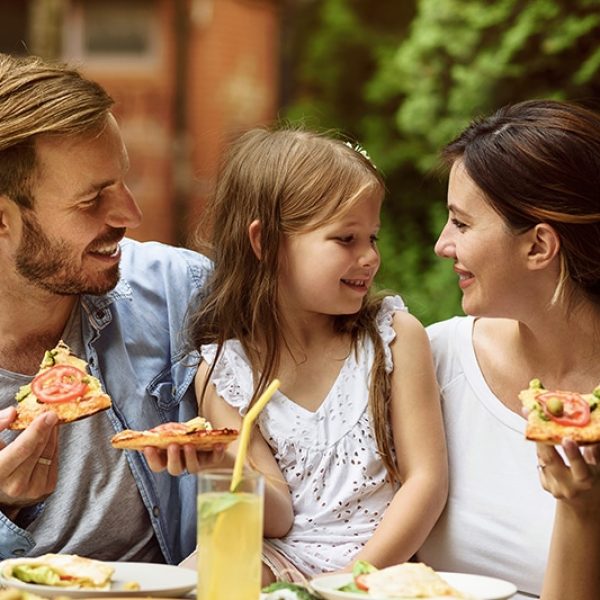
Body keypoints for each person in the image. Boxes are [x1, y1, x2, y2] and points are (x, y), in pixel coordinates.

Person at [177, 126, 448, 582]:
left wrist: (351, 578)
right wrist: (222, 461)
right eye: (347, 239)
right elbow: (278, 517)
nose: (370, 258)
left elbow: (426, 481)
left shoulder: (393, 340)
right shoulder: (225, 372)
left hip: (379, 564)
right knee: (202, 577)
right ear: (264, 243)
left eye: (373, 238)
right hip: (279, 560)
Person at [0, 53, 217, 564]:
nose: (130, 214)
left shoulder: (180, 293)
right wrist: (5, 508)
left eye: (123, 181)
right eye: (93, 199)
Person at [417, 99, 600, 600]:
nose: (442, 244)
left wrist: (582, 511)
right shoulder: (431, 363)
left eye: (462, 223)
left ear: (539, 246)